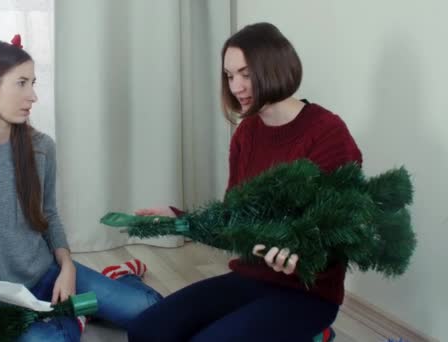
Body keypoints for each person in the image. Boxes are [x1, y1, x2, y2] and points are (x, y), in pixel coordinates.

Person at [128, 22, 362, 341]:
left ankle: (314, 333)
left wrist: (299, 248)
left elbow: (343, 229)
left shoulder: (328, 133)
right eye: (229, 75)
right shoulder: (247, 134)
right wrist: (179, 221)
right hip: (251, 278)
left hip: (308, 294)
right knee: (146, 332)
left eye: (245, 73)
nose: (235, 86)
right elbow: (233, 223)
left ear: (274, 67)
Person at [0, 36, 161, 342]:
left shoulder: (41, 148)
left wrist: (68, 267)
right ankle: (80, 312)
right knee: (53, 339)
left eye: (34, 83)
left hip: (45, 274)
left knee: (154, 311)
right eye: (21, 83)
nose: (33, 96)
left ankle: (110, 286)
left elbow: (48, 215)